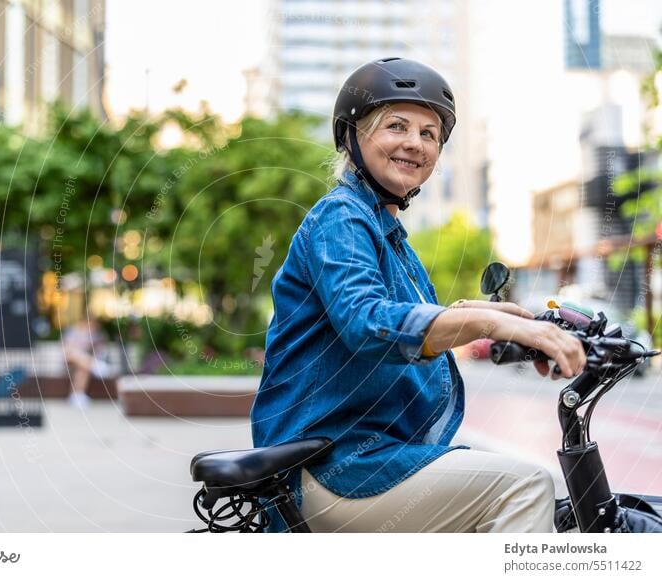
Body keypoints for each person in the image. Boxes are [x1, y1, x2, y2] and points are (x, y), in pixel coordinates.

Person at [250, 58, 587, 533]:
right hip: (333, 463)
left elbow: (414, 317)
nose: (415, 142)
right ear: (353, 135)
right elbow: (370, 323)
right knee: (524, 486)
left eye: (430, 134)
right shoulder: (341, 218)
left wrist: (499, 318)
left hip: (371, 459)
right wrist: (494, 324)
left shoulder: (389, 237)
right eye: (397, 126)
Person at [62, 318, 109, 408]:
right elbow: (66, 349)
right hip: (69, 361)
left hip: (83, 363)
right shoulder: (72, 332)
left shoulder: (95, 336)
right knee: (74, 353)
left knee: (83, 369)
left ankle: (76, 396)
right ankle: (95, 366)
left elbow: (99, 352)